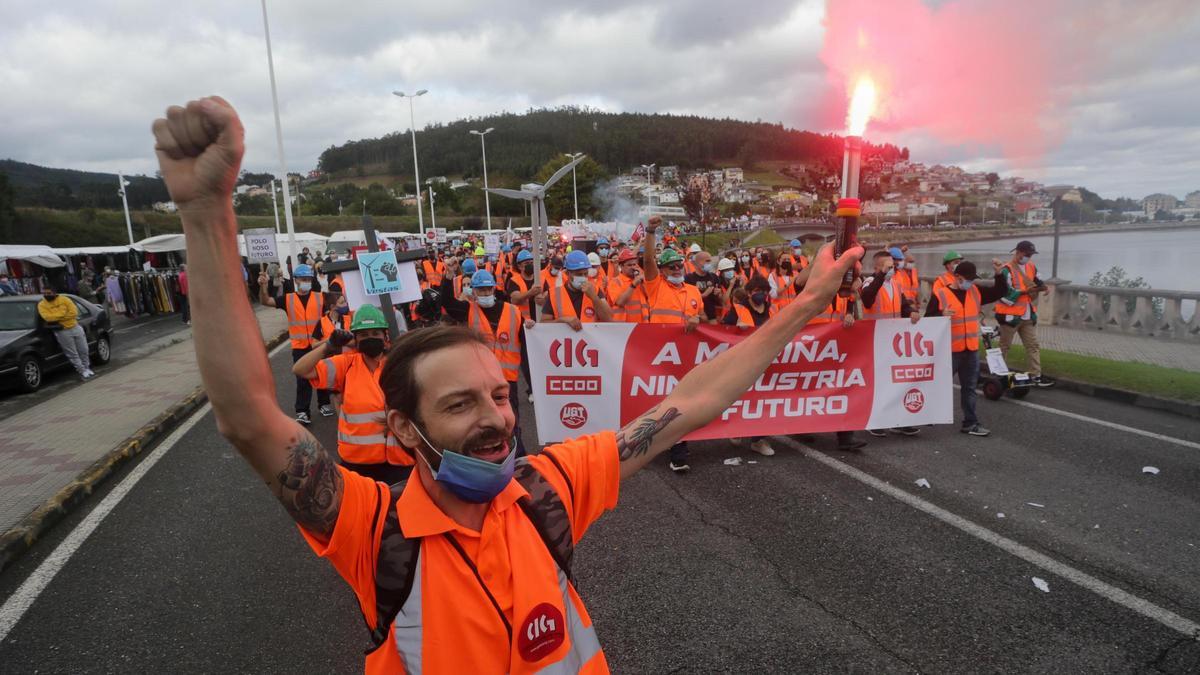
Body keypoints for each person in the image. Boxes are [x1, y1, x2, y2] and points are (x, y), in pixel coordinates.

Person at [152, 94, 861, 672]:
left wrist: (805, 302)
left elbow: (697, 396)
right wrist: (205, 213)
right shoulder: (375, 532)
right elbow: (248, 415)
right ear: (405, 428)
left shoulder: (549, 488)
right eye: (460, 403)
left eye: (497, 394)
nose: (496, 417)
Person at [293, 304, 414, 484]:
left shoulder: (399, 364)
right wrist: (328, 346)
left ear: (385, 336)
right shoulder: (346, 365)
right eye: (364, 335)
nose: (370, 338)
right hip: (358, 463)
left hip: (400, 460)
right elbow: (300, 369)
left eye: (375, 333)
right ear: (355, 339)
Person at [642, 216, 704, 472]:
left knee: (682, 402)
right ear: (663, 270)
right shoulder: (655, 286)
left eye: (679, 265)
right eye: (671, 267)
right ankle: (653, 441)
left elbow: (703, 319)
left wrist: (698, 318)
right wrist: (650, 231)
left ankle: (679, 449)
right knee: (657, 401)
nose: (677, 270)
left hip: (685, 356)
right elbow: (647, 261)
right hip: (659, 355)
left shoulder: (693, 291)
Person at [924, 260, 1008, 437]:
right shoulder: (941, 294)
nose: (970, 283)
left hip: (970, 350)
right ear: (957, 277)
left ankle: (970, 423)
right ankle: (927, 414)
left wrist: (999, 275)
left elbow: (1000, 291)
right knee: (938, 385)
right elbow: (928, 319)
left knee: (969, 388)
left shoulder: (975, 291)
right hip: (949, 351)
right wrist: (941, 314)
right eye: (967, 279)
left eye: (972, 279)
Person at [259, 263, 331, 424]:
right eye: (303, 279)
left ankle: (324, 404)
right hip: (299, 346)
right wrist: (263, 287)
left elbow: (336, 305)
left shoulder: (320, 297)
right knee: (302, 379)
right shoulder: (288, 299)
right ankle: (302, 411)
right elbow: (266, 301)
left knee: (322, 373)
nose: (306, 281)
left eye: (308, 279)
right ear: (296, 280)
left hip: (317, 344)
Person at [860, 251, 922, 438]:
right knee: (879, 383)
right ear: (877, 268)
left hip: (894, 342)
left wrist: (910, 311)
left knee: (896, 382)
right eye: (887, 266)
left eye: (892, 266)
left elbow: (902, 305)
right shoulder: (870, 282)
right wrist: (880, 276)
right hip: (876, 340)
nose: (891, 269)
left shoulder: (895, 284)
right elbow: (867, 298)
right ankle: (877, 420)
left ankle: (899, 420)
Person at [722, 276, 777, 456]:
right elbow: (721, 333)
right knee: (741, 397)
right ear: (748, 292)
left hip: (765, 361)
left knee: (762, 400)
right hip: (741, 361)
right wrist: (736, 329)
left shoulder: (773, 309)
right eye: (757, 291)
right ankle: (736, 428)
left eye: (764, 291)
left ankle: (758, 439)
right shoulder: (738, 309)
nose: (761, 295)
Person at [995, 240, 1053, 387]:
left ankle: (1036, 375)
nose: (1029, 257)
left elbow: (1036, 280)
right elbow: (1002, 293)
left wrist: (1043, 287)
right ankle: (999, 376)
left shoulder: (1031, 267)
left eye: (1031, 255)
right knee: (1004, 347)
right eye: (1027, 254)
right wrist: (1023, 292)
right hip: (1010, 317)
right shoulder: (1006, 269)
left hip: (1027, 315)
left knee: (1033, 345)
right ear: (1018, 252)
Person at [541, 250, 613, 329]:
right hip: (565, 340)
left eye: (585, 274)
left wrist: (594, 298)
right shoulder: (554, 294)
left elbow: (609, 319)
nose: (583, 277)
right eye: (578, 274)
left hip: (590, 340)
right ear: (568, 273)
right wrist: (562, 321)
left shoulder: (595, 290)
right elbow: (543, 324)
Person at [37, 286, 94, 381]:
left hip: (75, 327)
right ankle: (82, 371)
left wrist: (57, 317)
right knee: (72, 353)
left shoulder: (64, 299)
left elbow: (74, 313)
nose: (46, 295)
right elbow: (47, 318)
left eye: (49, 293)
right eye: (45, 293)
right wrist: (63, 313)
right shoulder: (42, 304)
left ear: (54, 292)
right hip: (62, 331)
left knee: (84, 349)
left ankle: (87, 367)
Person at [606, 249, 648, 323]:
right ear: (621, 266)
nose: (633, 267)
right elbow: (620, 302)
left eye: (634, 264)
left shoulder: (641, 279)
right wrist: (633, 285)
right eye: (629, 265)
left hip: (642, 325)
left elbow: (649, 297)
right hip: (623, 328)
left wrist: (643, 283)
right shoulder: (615, 282)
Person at [685, 249, 722, 323]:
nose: (709, 264)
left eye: (710, 261)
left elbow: (720, 299)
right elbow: (686, 300)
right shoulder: (688, 278)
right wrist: (703, 295)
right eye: (707, 261)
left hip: (712, 316)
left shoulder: (714, 277)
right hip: (695, 318)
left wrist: (718, 294)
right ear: (698, 263)